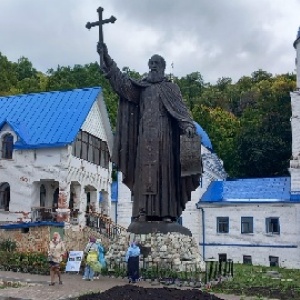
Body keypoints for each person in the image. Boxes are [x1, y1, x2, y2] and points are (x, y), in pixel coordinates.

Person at [97, 43, 201, 224]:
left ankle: (167, 212)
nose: (153, 66)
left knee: (165, 174)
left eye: (156, 63)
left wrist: (188, 126)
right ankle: (142, 211)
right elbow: (121, 83)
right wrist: (106, 57)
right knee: (144, 174)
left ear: (162, 67)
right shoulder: (142, 87)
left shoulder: (171, 88)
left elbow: (181, 112)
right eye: (150, 63)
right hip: (144, 138)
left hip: (165, 139)